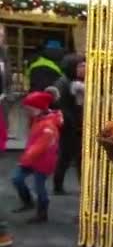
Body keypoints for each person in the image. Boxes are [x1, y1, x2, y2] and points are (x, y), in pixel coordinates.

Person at [12, 91, 63, 223]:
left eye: (29, 107)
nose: (26, 110)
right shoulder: (38, 118)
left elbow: (40, 147)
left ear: (38, 108)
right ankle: (29, 202)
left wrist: (24, 160)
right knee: (17, 179)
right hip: (32, 159)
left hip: (43, 160)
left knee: (39, 187)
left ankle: (42, 213)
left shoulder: (48, 125)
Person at [52, 54, 85, 195]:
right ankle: (57, 186)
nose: (84, 68)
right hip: (68, 126)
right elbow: (59, 106)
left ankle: (83, 187)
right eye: (81, 66)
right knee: (65, 157)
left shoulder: (77, 82)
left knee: (79, 157)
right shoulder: (62, 83)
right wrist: (72, 122)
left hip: (77, 125)